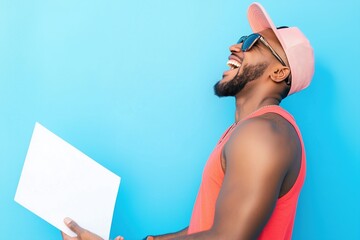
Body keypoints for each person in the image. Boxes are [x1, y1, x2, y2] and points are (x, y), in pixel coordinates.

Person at [61, 2, 314, 240]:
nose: (235, 47)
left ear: (279, 72)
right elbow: (207, 228)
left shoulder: (264, 133)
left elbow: (228, 237)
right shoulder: (245, 131)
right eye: (240, 40)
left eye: (251, 42)